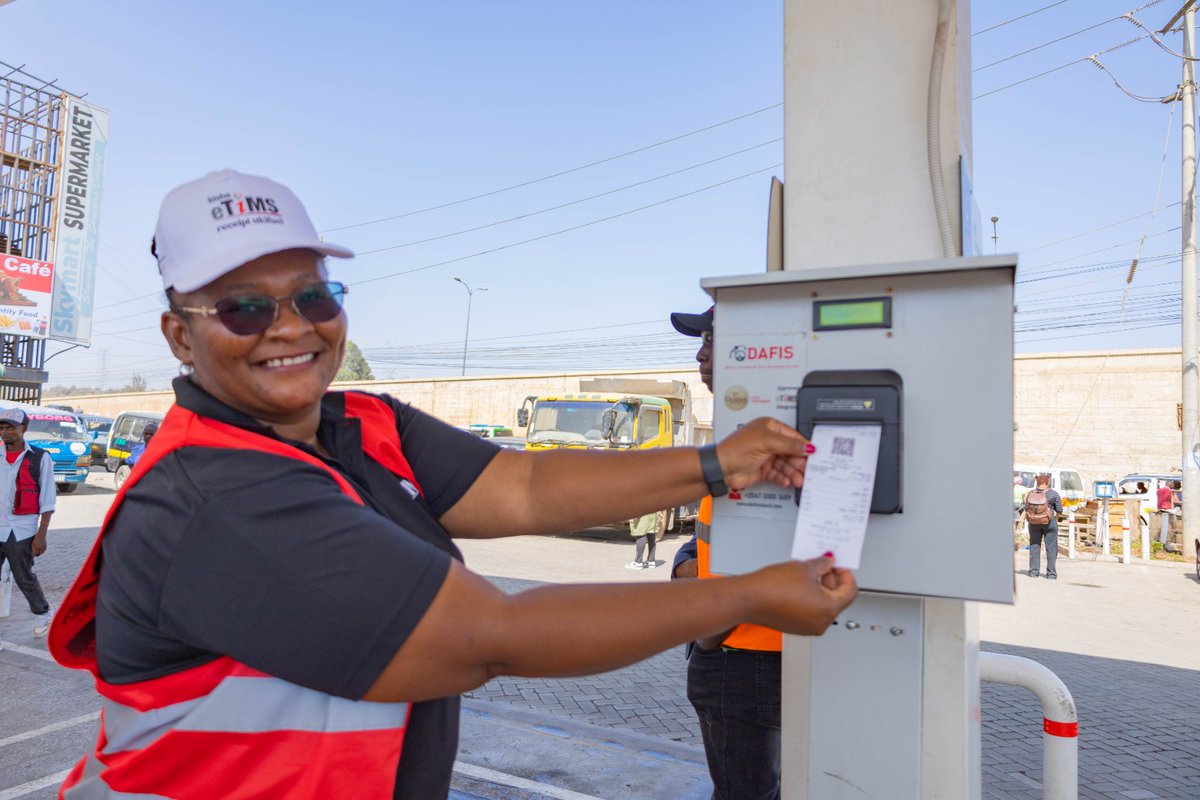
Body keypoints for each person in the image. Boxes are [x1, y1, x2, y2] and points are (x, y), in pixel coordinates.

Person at [48, 169, 857, 800]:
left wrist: (720, 462)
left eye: (313, 295)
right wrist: (749, 597)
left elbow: (528, 487)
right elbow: (492, 635)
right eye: (243, 308)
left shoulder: (363, 422)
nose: (291, 326)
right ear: (179, 335)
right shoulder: (214, 495)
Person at [670, 304, 789, 800]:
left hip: (744, 655)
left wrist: (710, 639)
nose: (699, 353)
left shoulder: (760, 440)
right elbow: (718, 534)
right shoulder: (747, 430)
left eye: (712, 341)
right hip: (752, 649)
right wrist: (684, 560)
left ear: (749, 353)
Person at [0, 407, 56, 647]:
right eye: (2, 427)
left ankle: (43, 613)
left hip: (21, 529)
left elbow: (48, 498)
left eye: (11, 427)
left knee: (24, 576)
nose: (6, 432)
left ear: (24, 428)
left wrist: (41, 534)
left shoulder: (39, 457)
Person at [1023, 473, 1062, 579]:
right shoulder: (1053, 494)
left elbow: (1026, 508)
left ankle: (1033, 572)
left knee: (1035, 546)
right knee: (1051, 548)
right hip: (1049, 523)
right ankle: (1051, 574)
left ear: (1037, 482)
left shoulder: (1030, 493)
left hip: (1034, 523)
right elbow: (1060, 510)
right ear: (1047, 481)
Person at [1156, 479, 1176, 545]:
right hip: (1166, 508)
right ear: (1169, 484)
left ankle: (1162, 540)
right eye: (1172, 483)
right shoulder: (1168, 490)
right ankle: (1164, 541)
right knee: (1166, 525)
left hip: (1160, 507)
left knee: (1162, 525)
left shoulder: (1160, 490)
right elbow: (1170, 499)